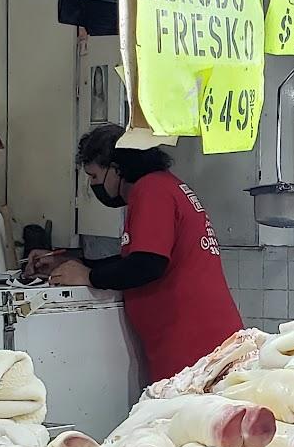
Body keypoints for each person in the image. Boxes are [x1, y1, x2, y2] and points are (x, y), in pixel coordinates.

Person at [25, 125, 244, 383]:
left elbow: (147, 265)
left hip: (195, 348)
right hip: (199, 344)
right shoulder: (165, 185)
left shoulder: (151, 190)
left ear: (116, 168)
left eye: (94, 176)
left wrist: (91, 276)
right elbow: (136, 259)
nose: (93, 186)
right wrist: (71, 264)